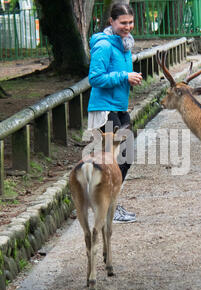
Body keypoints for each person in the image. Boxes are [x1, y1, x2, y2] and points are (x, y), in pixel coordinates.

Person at [87, 3, 142, 223]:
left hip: (119, 107)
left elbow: (119, 75)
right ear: (111, 22)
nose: (127, 27)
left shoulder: (125, 45)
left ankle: (111, 204)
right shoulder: (104, 45)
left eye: (130, 22)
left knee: (126, 157)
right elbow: (95, 78)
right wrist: (124, 77)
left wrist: (129, 80)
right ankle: (108, 207)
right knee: (111, 159)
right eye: (123, 23)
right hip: (105, 109)